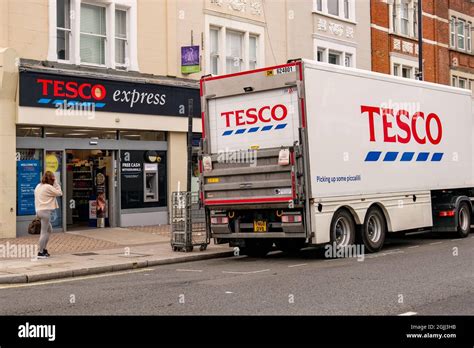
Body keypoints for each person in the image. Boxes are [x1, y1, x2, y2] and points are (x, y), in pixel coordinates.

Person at [34, 171, 63, 258]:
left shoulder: (38, 186)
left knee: (49, 230)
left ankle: (44, 249)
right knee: (43, 232)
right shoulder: (48, 187)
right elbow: (59, 193)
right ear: (51, 179)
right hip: (45, 211)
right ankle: (40, 252)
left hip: (39, 210)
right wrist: (56, 183)